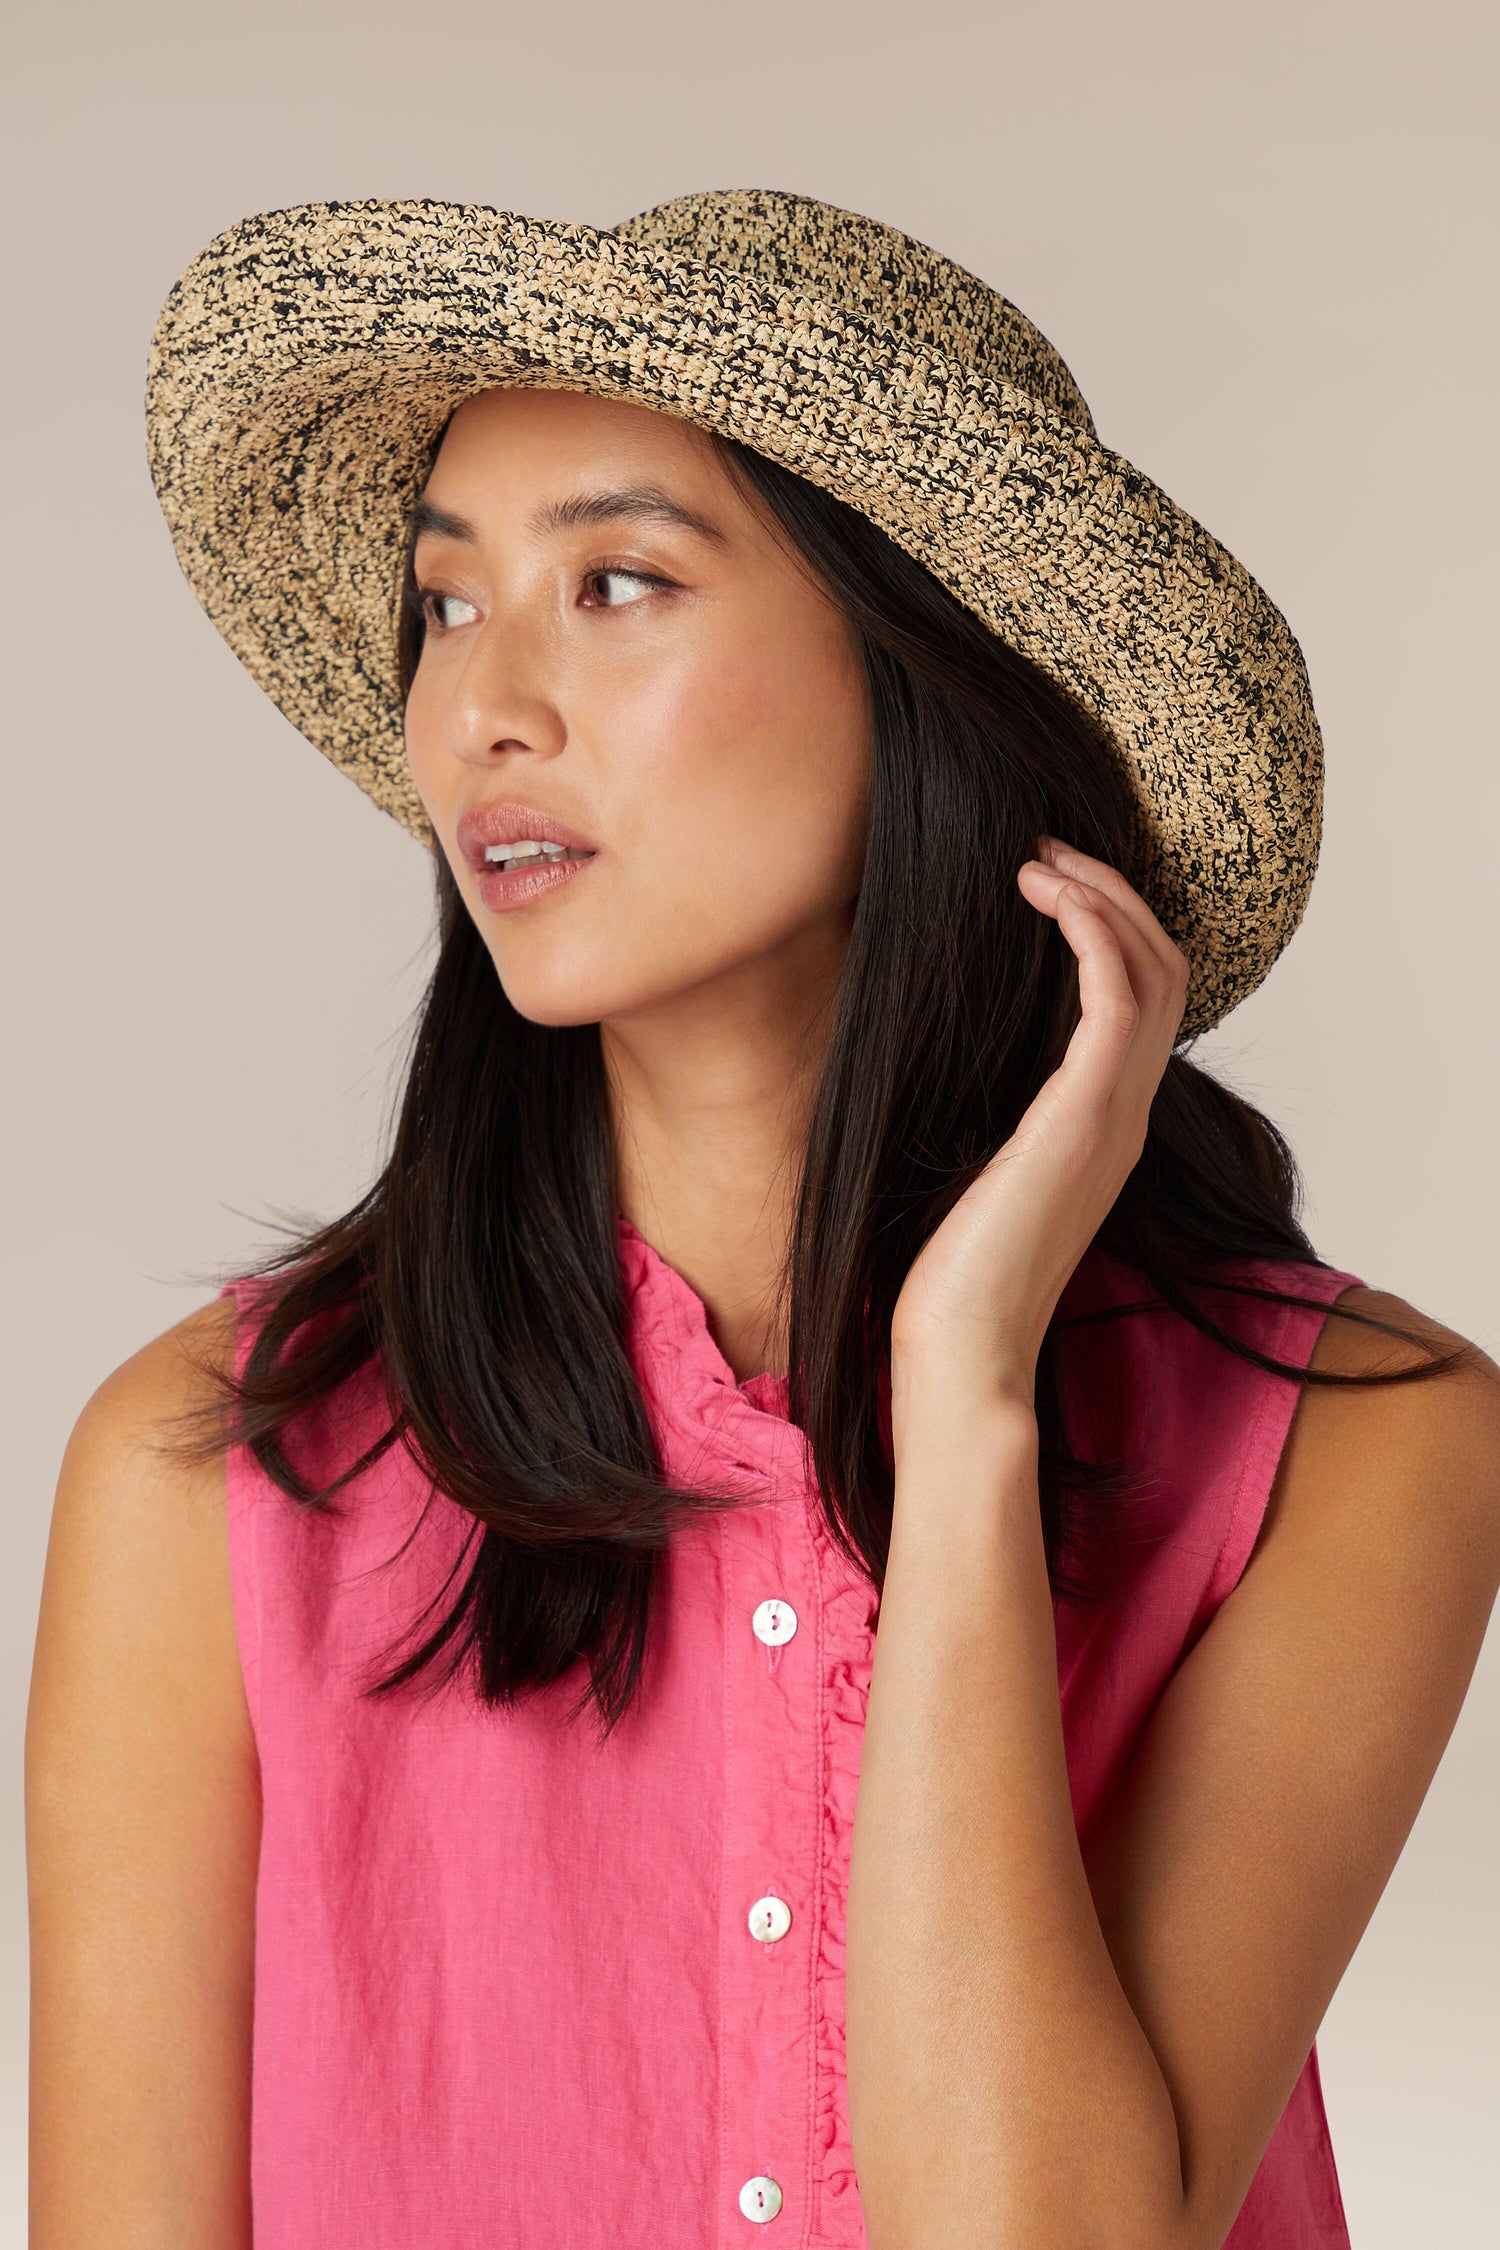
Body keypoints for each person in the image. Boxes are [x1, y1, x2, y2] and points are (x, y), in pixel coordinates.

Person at [26, 188, 1500, 2250]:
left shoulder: (1354, 1436)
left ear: (929, 673)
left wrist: (962, 1399)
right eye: (448, 606)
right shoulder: (215, 1478)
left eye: (616, 584)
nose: (484, 711)